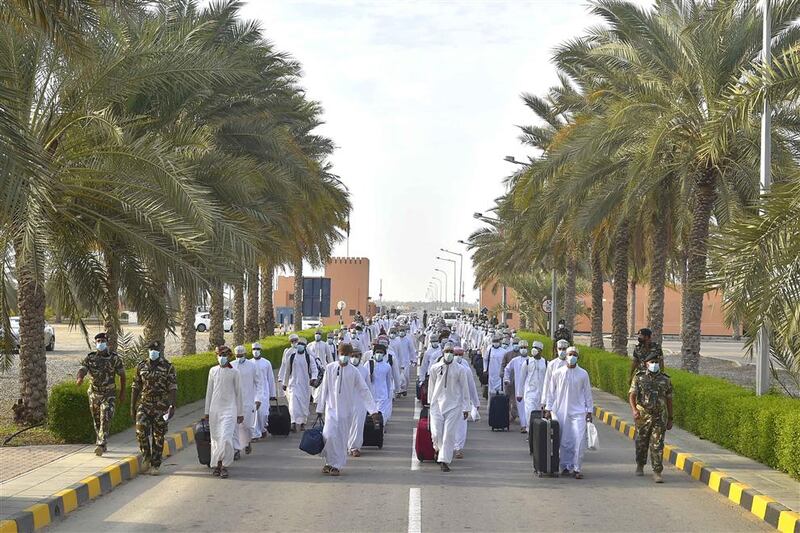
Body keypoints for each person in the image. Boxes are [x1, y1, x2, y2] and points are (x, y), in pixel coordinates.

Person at [316, 344, 380, 477]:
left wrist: (373, 410)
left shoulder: (354, 372)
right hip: (331, 410)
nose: (344, 356)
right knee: (328, 436)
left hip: (346, 412)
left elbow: (364, 390)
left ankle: (336, 465)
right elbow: (324, 389)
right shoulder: (330, 368)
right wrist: (320, 408)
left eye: (347, 354)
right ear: (338, 353)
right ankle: (329, 462)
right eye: (342, 353)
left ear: (350, 355)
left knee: (340, 439)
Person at [544, 346, 593, 479]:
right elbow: (551, 393)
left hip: (579, 412)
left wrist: (589, 411)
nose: (572, 357)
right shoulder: (558, 373)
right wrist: (548, 409)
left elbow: (587, 393)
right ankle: (565, 466)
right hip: (561, 411)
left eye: (574, 354)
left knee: (579, 440)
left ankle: (577, 468)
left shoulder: (583, 374)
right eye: (570, 354)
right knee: (564, 441)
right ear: (566, 356)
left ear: (578, 357)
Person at [130, 341, 177, 475]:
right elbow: (136, 387)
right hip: (144, 404)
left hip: (161, 405)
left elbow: (173, 387)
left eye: (155, 349)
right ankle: (146, 456)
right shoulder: (141, 366)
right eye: (151, 349)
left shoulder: (168, 367)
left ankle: (155, 464)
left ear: (160, 351)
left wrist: (172, 406)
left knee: (158, 436)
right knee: (140, 432)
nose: (153, 352)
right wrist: (132, 406)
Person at [76, 332, 126, 456]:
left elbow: (122, 375)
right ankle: (102, 442)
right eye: (98, 341)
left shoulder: (114, 358)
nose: (100, 343)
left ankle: (101, 443)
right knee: (97, 420)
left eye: (102, 341)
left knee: (106, 416)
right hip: (94, 393)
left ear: (107, 343)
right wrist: (80, 378)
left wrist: (122, 392)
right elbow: (83, 370)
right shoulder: (91, 358)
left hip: (108, 393)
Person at [629, 351, 673, 483]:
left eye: (656, 362)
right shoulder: (639, 377)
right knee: (641, 442)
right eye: (651, 362)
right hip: (643, 415)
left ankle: (657, 471)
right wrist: (634, 410)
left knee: (657, 444)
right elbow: (632, 395)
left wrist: (670, 418)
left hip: (659, 416)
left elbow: (669, 399)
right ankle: (640, 464)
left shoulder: (665, 379)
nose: (654, 364)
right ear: (646, 364)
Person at [428, 345, 471, 472]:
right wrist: (430, 403)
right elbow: (431, 386)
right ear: (443, 352)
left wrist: (466, 407)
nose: (449, 354)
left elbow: (465, 389)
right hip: (437, 405)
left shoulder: (460, 369)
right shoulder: (435, 368)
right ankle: (438, 449)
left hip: (454, 405)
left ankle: (444, 460)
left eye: (451, 351)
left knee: (448, 434)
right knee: (436, 433)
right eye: (447, 351)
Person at [205, 346, 244, 479]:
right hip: (215, 409)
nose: (221, 358)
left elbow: (239, 394)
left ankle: (225, 466)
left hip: (230, 409)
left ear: (229, 357)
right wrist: (206, 412)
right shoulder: (213, 371)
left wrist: (240, 412)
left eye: (224, 355)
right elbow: (209, 393)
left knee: (226, 438)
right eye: (219, 355)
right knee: (216, 438)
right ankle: (217, 464)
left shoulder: (235, 373)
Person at [278, 337, 318, 432]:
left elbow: (314, 370)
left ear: (305, 347)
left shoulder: (309, 358)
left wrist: (313, 378)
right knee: (293, 404)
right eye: (298, 344)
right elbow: (287, 371)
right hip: (293, 385)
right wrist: (285, 383)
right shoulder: (291, 357)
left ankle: (303, 423)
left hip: (305, 385)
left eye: (302, 344)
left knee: (304, 405)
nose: (299, 346)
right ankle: (293, 422)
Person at [231, 345, 263, 457]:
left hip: (249, 401)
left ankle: (248, 442)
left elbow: (259, 383)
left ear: (245, 355)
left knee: (247, 426)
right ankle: (236, 450)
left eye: (241, 355)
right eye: (237, 356)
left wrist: (258, 398)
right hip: (234, 403)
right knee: (235, 427)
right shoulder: (232, 366)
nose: (239, 357)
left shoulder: (252, 366)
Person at [453, 347, 480, 459]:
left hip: (463, 402)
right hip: (448, 401)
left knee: (461, 426)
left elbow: (471, 386)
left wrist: (475, 402)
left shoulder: (466, 370)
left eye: (460, 354)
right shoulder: (444, 367)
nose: (458, 357)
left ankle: (458, 448)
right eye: (456, 354)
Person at [517, 340, 547, 434]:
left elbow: (548, 381)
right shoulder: (527, 362)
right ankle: (530, 433)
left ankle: (538, 434)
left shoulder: (546, 363)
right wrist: (519, 393)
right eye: (533, 348)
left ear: (541, 351)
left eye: (536, 348)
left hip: (542, 394)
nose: (534, 350)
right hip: (529, 393)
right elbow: (521, 379)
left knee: (540, 415)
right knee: (530, 413)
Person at [347, 349, 371, 457]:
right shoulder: (345, 369)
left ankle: (355, 447)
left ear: (360, 357)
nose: (354, 358)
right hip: (346, 401)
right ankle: (346, 445)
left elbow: (368, 388)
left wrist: (371, 406)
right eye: (352, 355)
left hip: (360, 402)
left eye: (357, 356)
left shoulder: (364, 370)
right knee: (347, 425)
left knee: (358, 425)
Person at [251, 342, 276, 439]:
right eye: (254, 349)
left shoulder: (266, 363)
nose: (256, 351)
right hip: (253, 392)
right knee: (254, 414)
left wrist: (272, 394)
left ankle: (263, 429)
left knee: (263, 413)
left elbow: (270, 378)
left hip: (264, 392)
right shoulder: (249, 363)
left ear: (261, 351)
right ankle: (255, 434)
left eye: (257, 349)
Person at [367, 342, 395, 424]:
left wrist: (389, 394)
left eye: (381, 352)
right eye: (377, 352)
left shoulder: (387, 366)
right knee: (372, 415)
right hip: (371, 395)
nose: (378, 354)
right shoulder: (368, 364)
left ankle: (381, 429)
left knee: (381, 415)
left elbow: (389, 381)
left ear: (384, 354)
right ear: (374, 353)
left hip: (383, 395)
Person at [541, 339, 570, 409]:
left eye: (564, 349)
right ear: (556, 349)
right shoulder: (552, 364)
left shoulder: (570, 364)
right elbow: (547, 382)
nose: (562, 351)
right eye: (560, 349)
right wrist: (544, 401)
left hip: (567, 397)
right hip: (554, 397)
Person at [501, 339, 522, 422]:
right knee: (507, 397)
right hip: (509, 380)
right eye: (514, 343)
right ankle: (507, 415)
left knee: (516, 399)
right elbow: (503, 366)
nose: (516, 345)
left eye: (517, 343)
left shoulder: (522, 356)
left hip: (519, 380)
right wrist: (503, 375)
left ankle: (514, 414)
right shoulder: (507, 354)